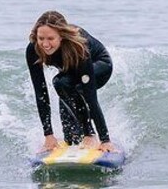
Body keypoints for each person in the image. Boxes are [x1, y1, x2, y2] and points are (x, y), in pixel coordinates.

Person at [26, 10, 116, 153]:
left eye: (50, 38)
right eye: (41, 38)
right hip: (71, 72)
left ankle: (92, 135)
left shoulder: (78, 47)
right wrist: (48, 135)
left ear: (61, 37)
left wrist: (105, 140)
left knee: (61, 84)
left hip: (100, 66)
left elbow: (90, 97)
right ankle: (76, 138)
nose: (45, 44)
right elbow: (40, 93)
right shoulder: (33, 50)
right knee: (71, 133)